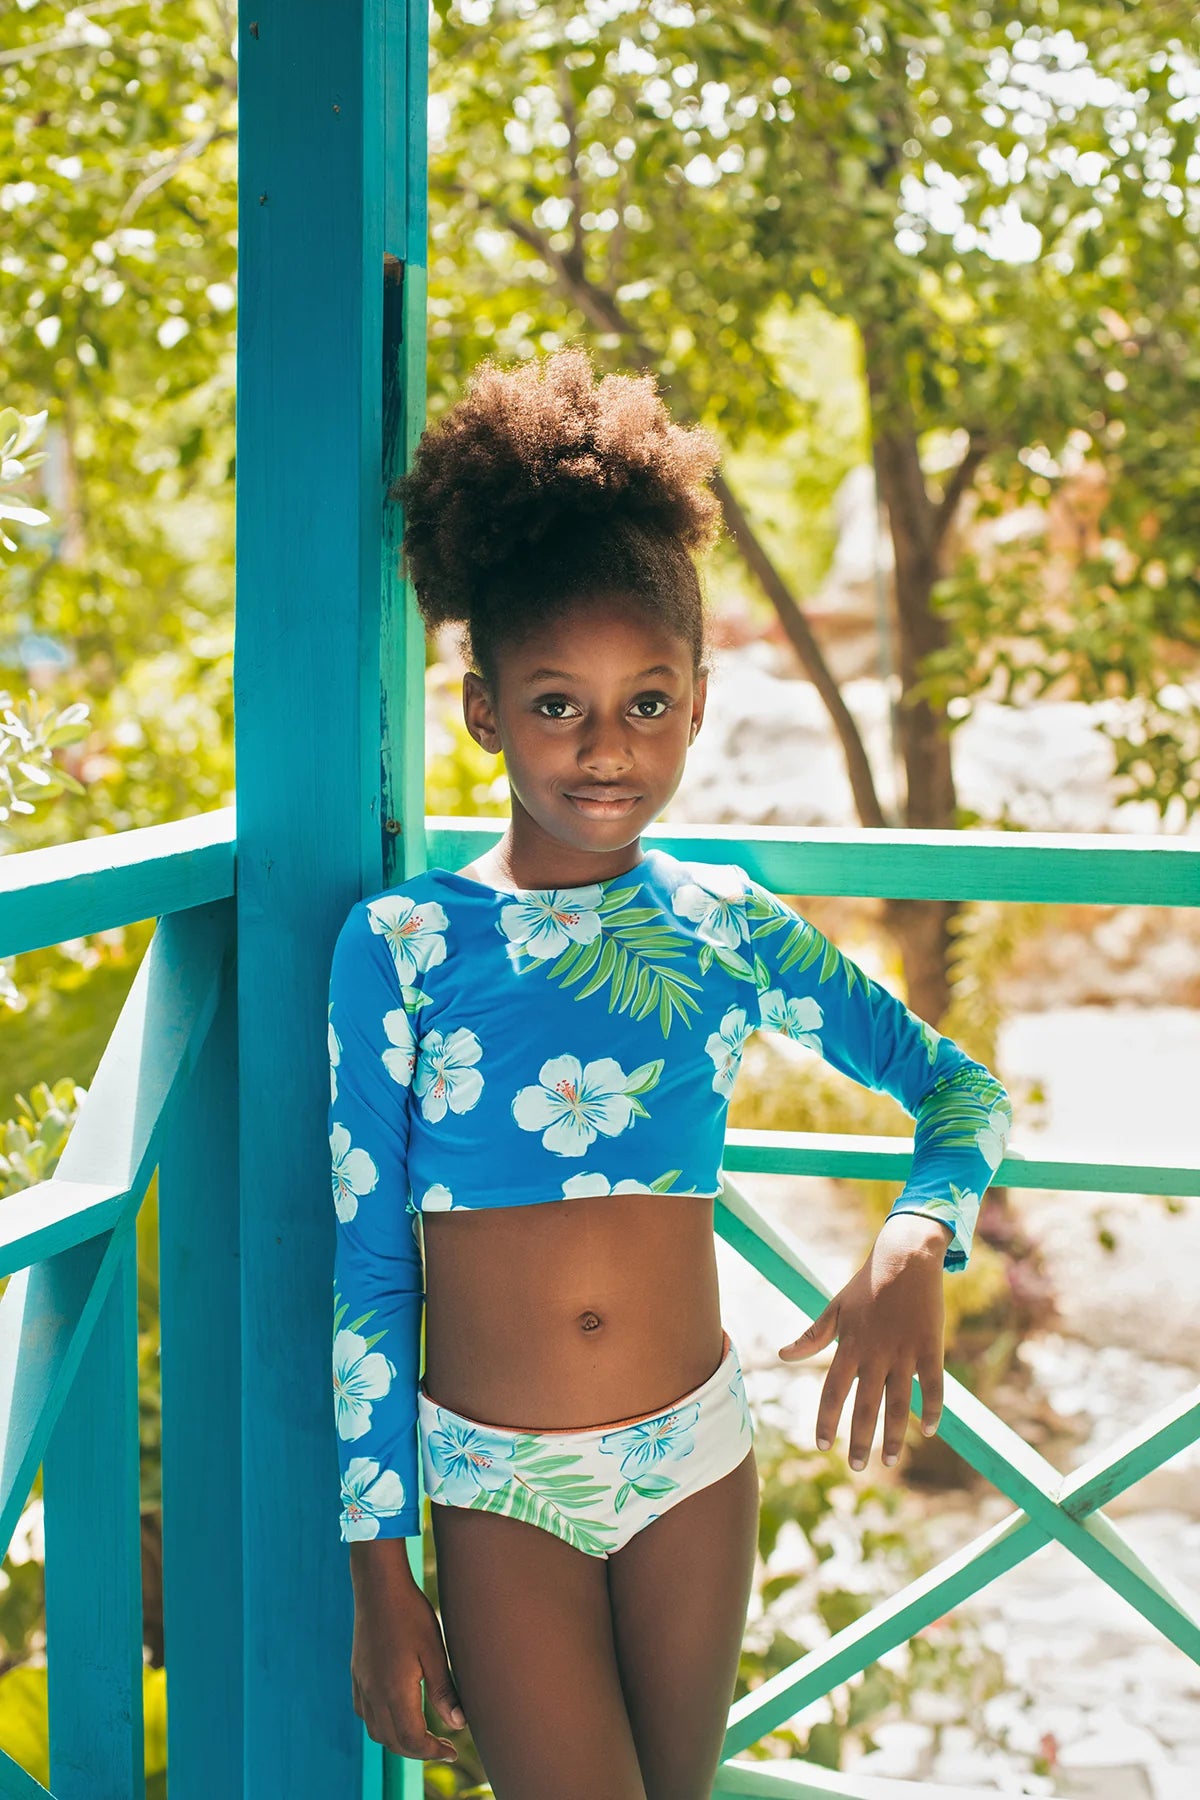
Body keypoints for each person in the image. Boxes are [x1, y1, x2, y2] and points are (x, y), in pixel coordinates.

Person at [327, 347, 1010, 1800]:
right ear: (484, 713)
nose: (607, 748)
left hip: (695, 1461)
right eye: (558, 703)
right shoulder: (402, 944)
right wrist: (378, 1569)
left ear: (698, 706)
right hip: (499, 1487)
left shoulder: (724, 926)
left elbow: (961, 1093)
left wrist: (912, 1235)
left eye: (647, 703)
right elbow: (374, 1267)